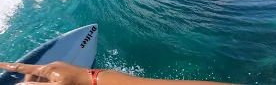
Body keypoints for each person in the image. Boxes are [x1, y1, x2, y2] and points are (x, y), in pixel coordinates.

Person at [0, 61, 232, 85]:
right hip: (102, 74)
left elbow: (18, 69)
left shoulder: (60, 82)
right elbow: (16, 66)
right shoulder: (56, 65)